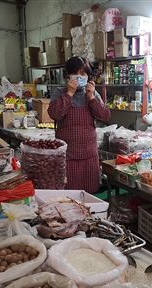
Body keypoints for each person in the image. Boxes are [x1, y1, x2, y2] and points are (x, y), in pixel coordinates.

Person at [48, 56, 110, 193]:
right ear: (68, 75)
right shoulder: (59, 92)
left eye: (83, 73)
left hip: (89, 155)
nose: (79, 77)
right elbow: (55, 115)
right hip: (67, 155)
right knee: (68, 193)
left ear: (88, 76)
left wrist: (91, 98)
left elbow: (104, 117)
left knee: (89, 192)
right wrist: (69, 94)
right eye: (75, 73)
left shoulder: (92, 94)